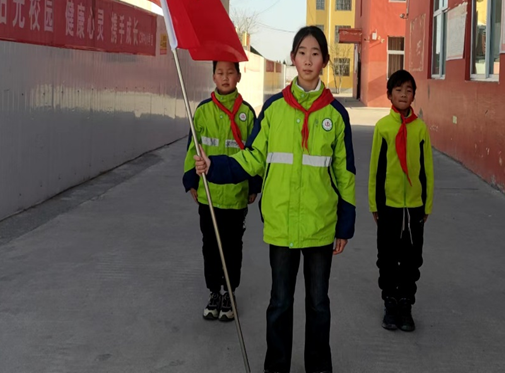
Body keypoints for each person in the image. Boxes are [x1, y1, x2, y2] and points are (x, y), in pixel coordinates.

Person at [194, 26, 356, 373]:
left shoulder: (336, 115)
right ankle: (276, 367)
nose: (308, 60)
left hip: (320, 225)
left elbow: (345, 174)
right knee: (280, 302)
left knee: (318, 304)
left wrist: (345, 223)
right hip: (281, 224)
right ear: (293, 58)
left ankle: (318, 367)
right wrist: (214, 166)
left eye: (315, 53)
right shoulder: (274, 109)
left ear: (324, 61)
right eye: (302, 53)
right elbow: (253, 156)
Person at [183, 60, 260, 322]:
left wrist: (253, 185)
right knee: (210, 245)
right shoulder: (203, 111)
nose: (225, 77)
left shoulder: (247, 113)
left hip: (236, 195)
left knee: (233, 246)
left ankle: (229, 292)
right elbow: (193, 147)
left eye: (230, 73)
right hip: (209, 194)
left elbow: (255, 153)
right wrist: (191, 181)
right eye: (220, 73)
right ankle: (214, 292)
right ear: (213, 77)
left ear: (238, 76)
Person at [368, 69, 434, 332]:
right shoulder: (383, 128)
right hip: (389, 206)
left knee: (411, 257)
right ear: (389, 95)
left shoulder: (420, 129)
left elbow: (427, 169)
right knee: (387, 256)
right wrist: (374, 204)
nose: (404, 94)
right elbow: (375, 169)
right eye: (398, 90)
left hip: (414, 207)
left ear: (414, 95)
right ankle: (390, 302)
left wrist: (427, 204)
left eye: (408, 90)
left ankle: (406, 303)